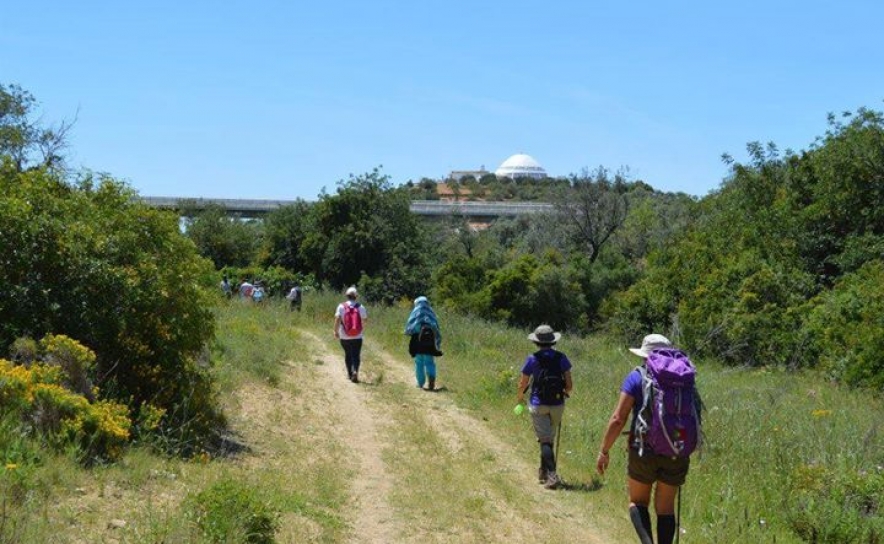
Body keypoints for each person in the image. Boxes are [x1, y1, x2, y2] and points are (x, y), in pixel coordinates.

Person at [596, 334, 690, 544]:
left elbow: (618, 418)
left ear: (644, 355)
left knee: (638, 502)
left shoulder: (637, 376)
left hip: (643, 449)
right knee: (666, 508)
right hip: (676, 448)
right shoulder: (682, 379)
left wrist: (604, 451)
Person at [516, 324, 573, 490]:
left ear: (537, 342)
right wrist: (564, 393)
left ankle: (552, 475)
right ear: (552, 341)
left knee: (545, 439)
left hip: (538, 403)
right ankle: (543, 471)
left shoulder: (532, 359)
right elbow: (569, 385)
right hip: (557, 404)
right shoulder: (562, 358)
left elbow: (523, 382)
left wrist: (520, 397)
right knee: (548, 439)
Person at [404, 296, 443, 391]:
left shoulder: (415, 312)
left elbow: (410, 327)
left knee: (419, 362)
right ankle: (431, 378)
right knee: (429, 362)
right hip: (429, 341)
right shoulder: (431, 312)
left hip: (418, 341)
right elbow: (436, 327)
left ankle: (420, 383)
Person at [333, 286, 368, 383]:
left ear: (347, 296)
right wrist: (361, 330)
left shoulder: (341, 306)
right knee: (356, 355)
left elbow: (337, 319)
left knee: (348, 354)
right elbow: (365, 320)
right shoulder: (361, 307)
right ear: (356, 296)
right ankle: (355, 371)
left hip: (344, 336)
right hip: (357, 336)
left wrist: (335, 331)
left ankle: (350, 374)